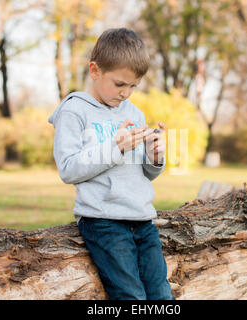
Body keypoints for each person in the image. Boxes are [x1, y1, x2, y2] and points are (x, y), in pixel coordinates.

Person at [48, 28, 174, 300]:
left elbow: (143, 173)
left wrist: (155, 157)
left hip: (142, 218)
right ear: (94, 71)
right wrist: (115, 147)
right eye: (119, 84)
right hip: (104, 221)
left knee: (161, 294)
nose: (126, 93)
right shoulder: (74, 111)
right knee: (131, 296)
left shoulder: (134, 113)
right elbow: (68, 168)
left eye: (133, 86)